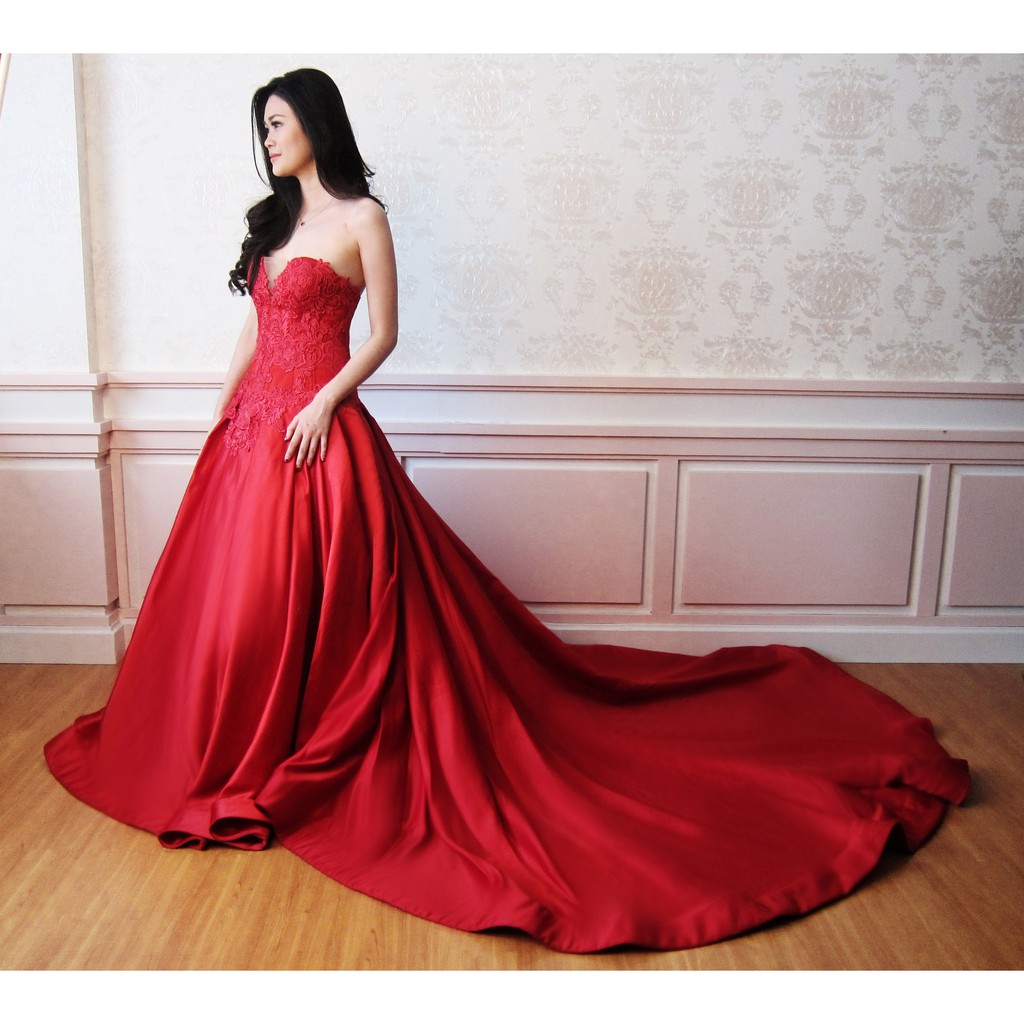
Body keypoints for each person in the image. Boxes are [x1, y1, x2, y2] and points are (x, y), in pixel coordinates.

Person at [44, 68, 970, 955]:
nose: (268, 139)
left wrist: (325, 402)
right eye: (264, 128)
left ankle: (312, 747)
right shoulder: (275, 224)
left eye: (278, 123)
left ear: (317, 125)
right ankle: (233, 747)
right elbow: (254, 325)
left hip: (321, 435)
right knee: (237, 609)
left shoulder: (363, 218)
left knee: (325, 609)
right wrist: (223, 412)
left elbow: (384, 334)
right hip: (252, 437)